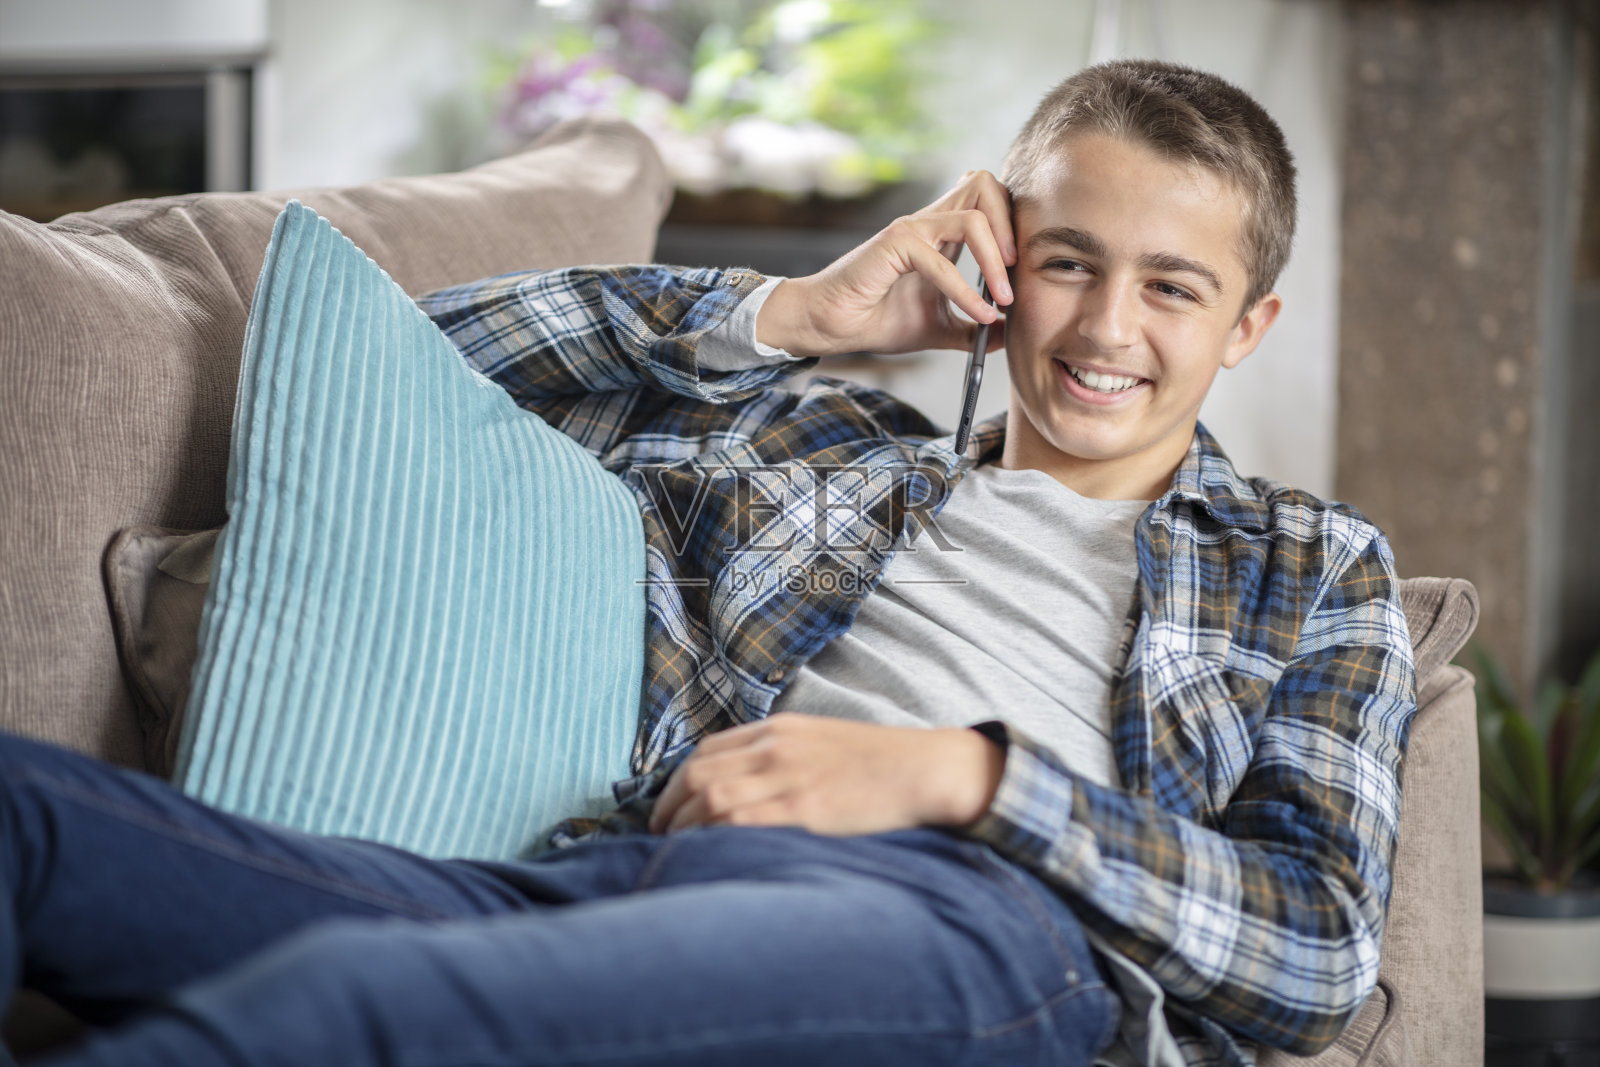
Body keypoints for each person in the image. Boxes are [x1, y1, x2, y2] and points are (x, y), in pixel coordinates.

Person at [1, 59, 1415, 1067]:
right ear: (999, 249)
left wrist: (962, 778)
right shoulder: (810, 450)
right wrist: (799, 314)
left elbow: (1318, 955)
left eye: (1173, 287)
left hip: (981, 927)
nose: (1108, 327)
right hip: (624, 875)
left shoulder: (1309, 566)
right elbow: (387, 360)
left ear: (1245, 326)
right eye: (1071, 262)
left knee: (349, 1017)